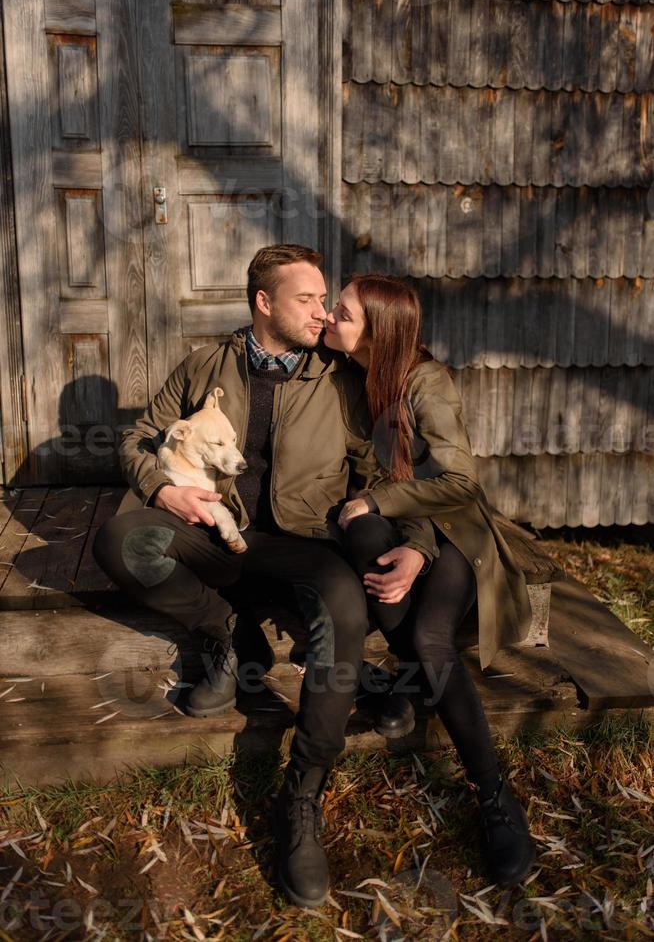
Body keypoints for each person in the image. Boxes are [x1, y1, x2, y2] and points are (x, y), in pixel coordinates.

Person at [92, 245, 436, 909]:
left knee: (343, 606)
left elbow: (396, 468)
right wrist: (165, 491)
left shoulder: (338, 377)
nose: (323, 311)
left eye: (324, 298)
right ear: (263, 302)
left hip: (304, 545)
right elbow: (138, 439)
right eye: (307, 299)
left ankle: (301, 798)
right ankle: (220, 631)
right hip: (215, 535)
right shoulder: (205, 366)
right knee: (120, 539)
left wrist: (416, 541)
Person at [323, 273, 537, 887]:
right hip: (410, 527)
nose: (330, 318)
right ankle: (414, 685)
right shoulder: (354, 375)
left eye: (342, 311)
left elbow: (460, 483)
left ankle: (494, 797)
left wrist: (416, 541)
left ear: (377, 330)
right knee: (373, 555)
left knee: (431, 637)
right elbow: (372, 473)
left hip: (457, 532)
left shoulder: (426, 383)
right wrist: (402, 537)